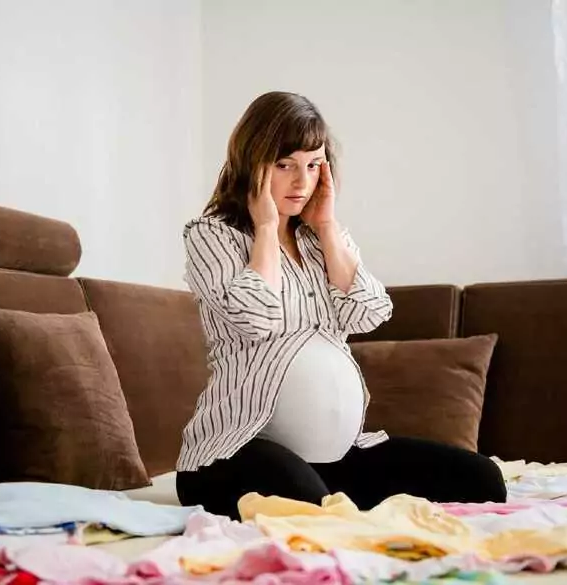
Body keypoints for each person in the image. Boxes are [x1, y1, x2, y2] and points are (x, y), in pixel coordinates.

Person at [175, 91, 506, 519]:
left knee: (481, 481)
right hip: (234, 450)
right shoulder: (211, 235)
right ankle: (324, 500)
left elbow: (369, 313)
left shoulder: (323, 239)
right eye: (285, 165)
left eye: (313, 165)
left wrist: (327, 226)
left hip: (336, 456)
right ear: (252, 164)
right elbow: (257, 318)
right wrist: (265, 228)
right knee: (312, 507)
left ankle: (335, 497)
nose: (301, 182)